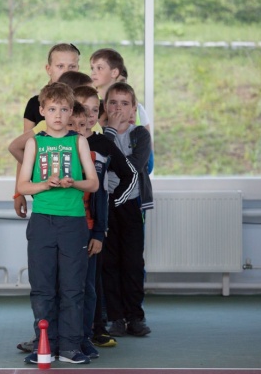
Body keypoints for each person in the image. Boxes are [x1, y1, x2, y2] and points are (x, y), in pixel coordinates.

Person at [17, 82, 98, 365]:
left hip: (73, 223)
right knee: (42, 288)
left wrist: (73, 182)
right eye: (52, 109)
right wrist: (44, 184)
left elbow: (93, 183)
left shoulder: (79, 141)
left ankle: (70, 346)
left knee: (73, 287)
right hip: (42, 222)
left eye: (64, 109)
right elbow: (23, 185)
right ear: (42, 111)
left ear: (71, 111)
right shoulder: (34, 143)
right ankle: (45, 345)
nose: (58, 115)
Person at [73, 85, 139, 350]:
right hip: (64, 222)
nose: (89, 116)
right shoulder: (58, 141)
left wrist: (111, 202)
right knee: (64, 281)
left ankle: (96, 328)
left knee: (93, 280)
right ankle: (60, 332)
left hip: (93, 226)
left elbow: (129, 175)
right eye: (83, 109)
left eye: (94, 110)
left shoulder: (103, 144)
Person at [101, 82, 154, 338]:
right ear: (105, 107)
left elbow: (134, 168)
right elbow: (101, 162)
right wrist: (109, 133)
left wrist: (115, 163)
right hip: (106, 206)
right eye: (113, 103)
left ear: (133, 109)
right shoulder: (100, 136)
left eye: (124, 103)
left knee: (132, 262)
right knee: (109, 262)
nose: (118, 108)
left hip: (131, 205)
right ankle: (116, 317)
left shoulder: (140, 135)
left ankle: (135, 316)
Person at [14, 43, 81, 218]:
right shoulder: (35, 103)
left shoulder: (86, 103)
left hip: (78, 195)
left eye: (72, 66)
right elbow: (25, 150)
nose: (66, 72)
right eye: (60, 66)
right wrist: (18, 192)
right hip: (46, 192)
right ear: (48, 69)